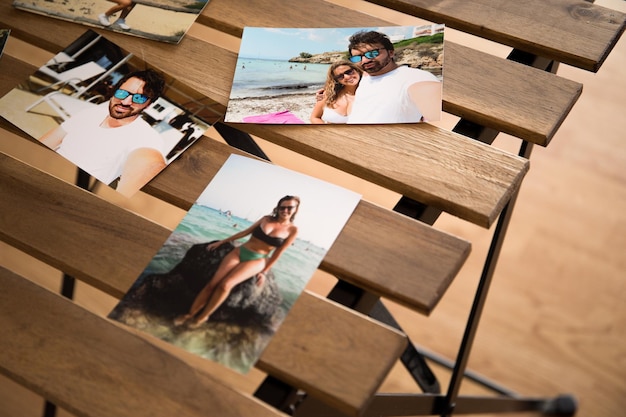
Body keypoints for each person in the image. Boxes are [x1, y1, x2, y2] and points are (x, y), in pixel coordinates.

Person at [174, 196, 300, 328]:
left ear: (295, 209)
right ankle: (189, 314)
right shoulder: (266, 219)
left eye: (289, 207)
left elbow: (278, 253)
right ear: (278, 207)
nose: (285, 210)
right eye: (282, 207)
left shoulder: (292, 230)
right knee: (212, 283)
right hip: (240, 252)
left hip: (258, 259)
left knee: (225, 285)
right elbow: (245, 232)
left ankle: (202, 317)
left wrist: (264, 272)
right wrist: (222, 242)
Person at [39, 69, 167, 197]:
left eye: (139, 98)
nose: (125, 102)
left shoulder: (145, 137)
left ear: (148, 105)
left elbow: (151, 164)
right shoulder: (91, 113)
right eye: (122, 93)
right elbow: (47, 142)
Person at [346, 30, 442, 123]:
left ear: (390, 52)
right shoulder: (366, 77)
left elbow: (440, 121)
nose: (365, 60)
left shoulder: (416, 78)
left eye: (372, 53)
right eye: (357, 57)